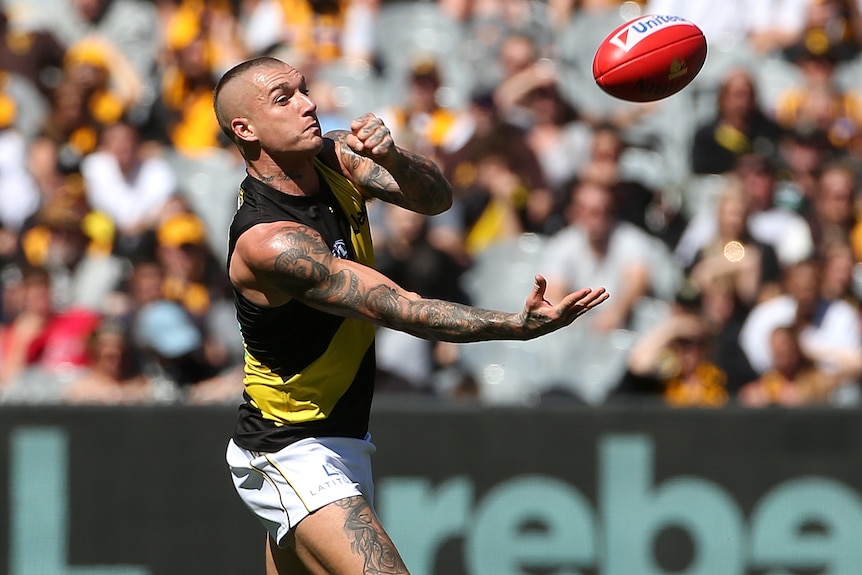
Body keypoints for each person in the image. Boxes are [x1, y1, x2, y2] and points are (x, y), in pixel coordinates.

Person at [213, 56, 608, 575]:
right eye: (284, 99)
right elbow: (403, 309)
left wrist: (394, 156)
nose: (309, 104)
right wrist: (515, 325)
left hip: (343, 437)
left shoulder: (333, 156)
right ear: (245, 129)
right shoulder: (270, 241)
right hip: (288, 447)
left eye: (304, 90)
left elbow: (437, 199)